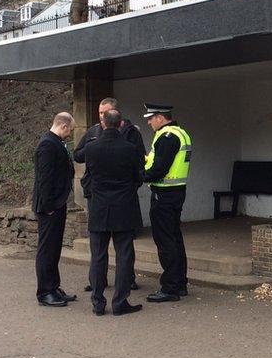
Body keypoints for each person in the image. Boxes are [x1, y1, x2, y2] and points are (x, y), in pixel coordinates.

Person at [74, 110, 143, 316]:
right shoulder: (129, 149)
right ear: (120, 123)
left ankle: (97, 302)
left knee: (98, 255)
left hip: (99, 206)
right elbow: (138, 176)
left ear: (103, 123)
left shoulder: (91, 148)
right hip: (124, 207)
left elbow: (88, 173)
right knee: (124, 255)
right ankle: (120, 302)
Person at [141, 103, 192, 303]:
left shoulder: (167, 136)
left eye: (151, 118)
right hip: (176, 192)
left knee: (165, 241)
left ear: (160, 118)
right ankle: (179, 284)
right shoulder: (181, 133)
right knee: (175, 239)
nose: (148, 121)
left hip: (164, 194)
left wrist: (140, 176)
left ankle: (169, 287)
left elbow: (160, 168)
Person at [32, 112, 76, 307]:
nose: (70, 135)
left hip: (57, 203)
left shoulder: (55, 142)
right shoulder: (48, 144)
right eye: (70, 131)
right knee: (47, 249)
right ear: (64, 126)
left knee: (54, 248)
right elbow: (45, 179)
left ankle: (54, 286)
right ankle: (45, 291)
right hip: (49, 206)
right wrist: (49, 206)